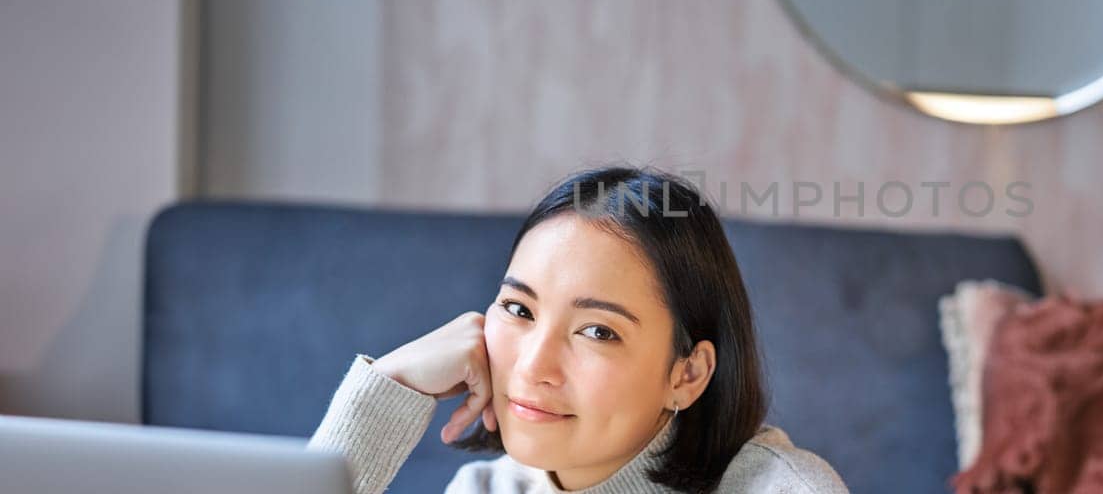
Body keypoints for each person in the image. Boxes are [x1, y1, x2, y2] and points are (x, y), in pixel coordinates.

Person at [308, 167, 848, 493]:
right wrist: (387, 390)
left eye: (597, 332)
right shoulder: (489, 488)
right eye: (519, 309)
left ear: (687, 374)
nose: (532, 367)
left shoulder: (779, 489)